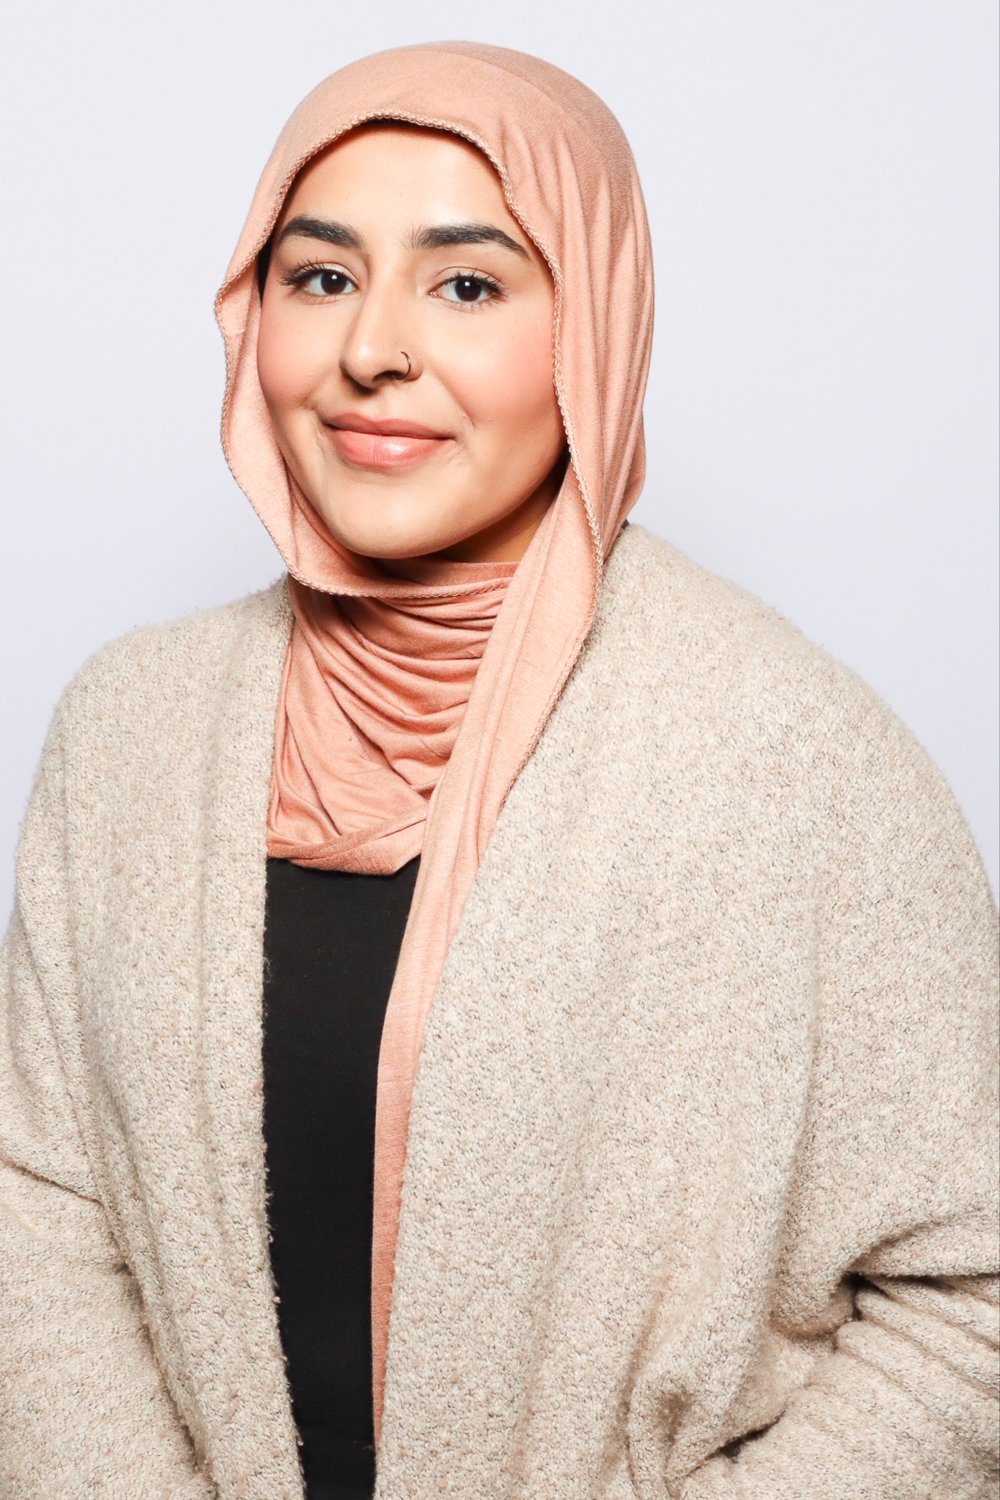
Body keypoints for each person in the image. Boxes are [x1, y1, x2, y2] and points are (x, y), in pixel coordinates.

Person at [0, 38, 996, 1500]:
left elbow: (972, 1303)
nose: (372, 349)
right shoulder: (128, 731)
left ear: (593, 325)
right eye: (321, 276)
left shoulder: (795, 756)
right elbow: (41, 1205)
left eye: (467, 283)